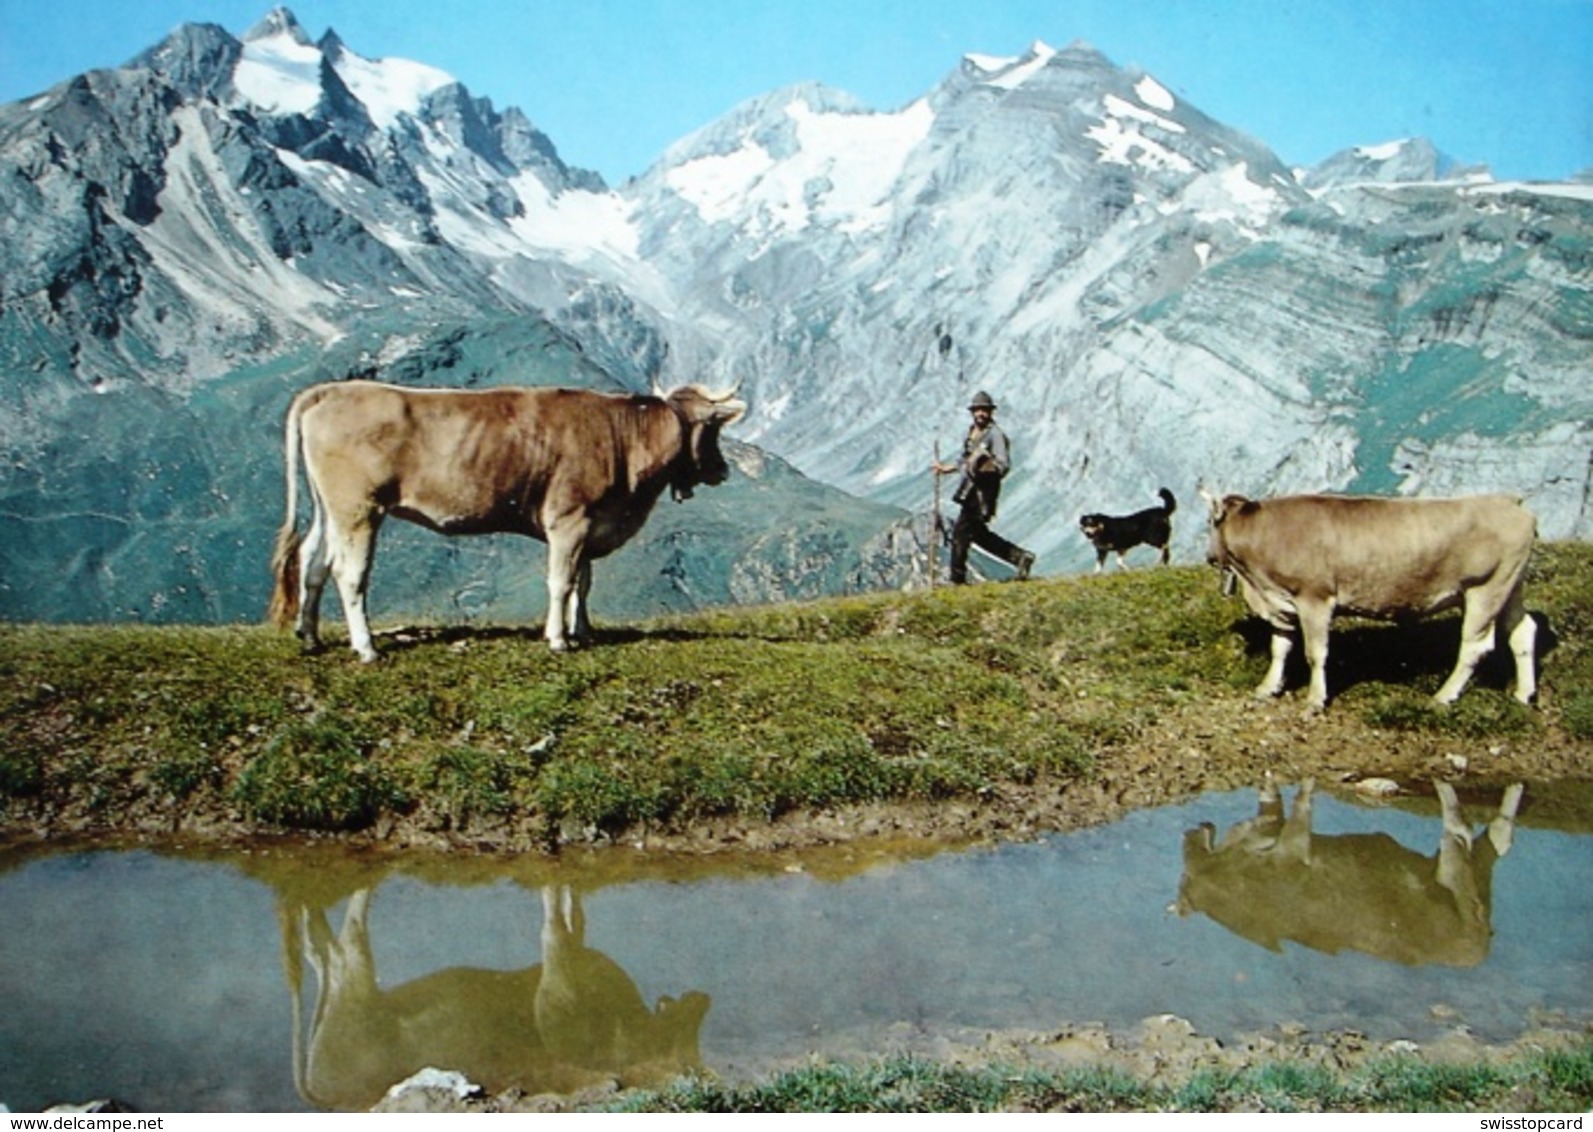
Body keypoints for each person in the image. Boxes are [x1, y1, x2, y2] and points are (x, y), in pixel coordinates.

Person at [933, 391, 1036, 585]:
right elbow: (964, 459)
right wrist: (946, 469)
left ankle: (957, 580)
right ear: (973, 412)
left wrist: (987, 464)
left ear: (990, 412)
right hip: (969, 489)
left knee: (961, 533)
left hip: (982, 492)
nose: (980, 413)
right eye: (977, 410)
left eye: (984, 410)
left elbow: (1003, 464)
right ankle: (1019, 557)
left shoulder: (996, 435)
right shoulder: (972, 432)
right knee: (978, 534)